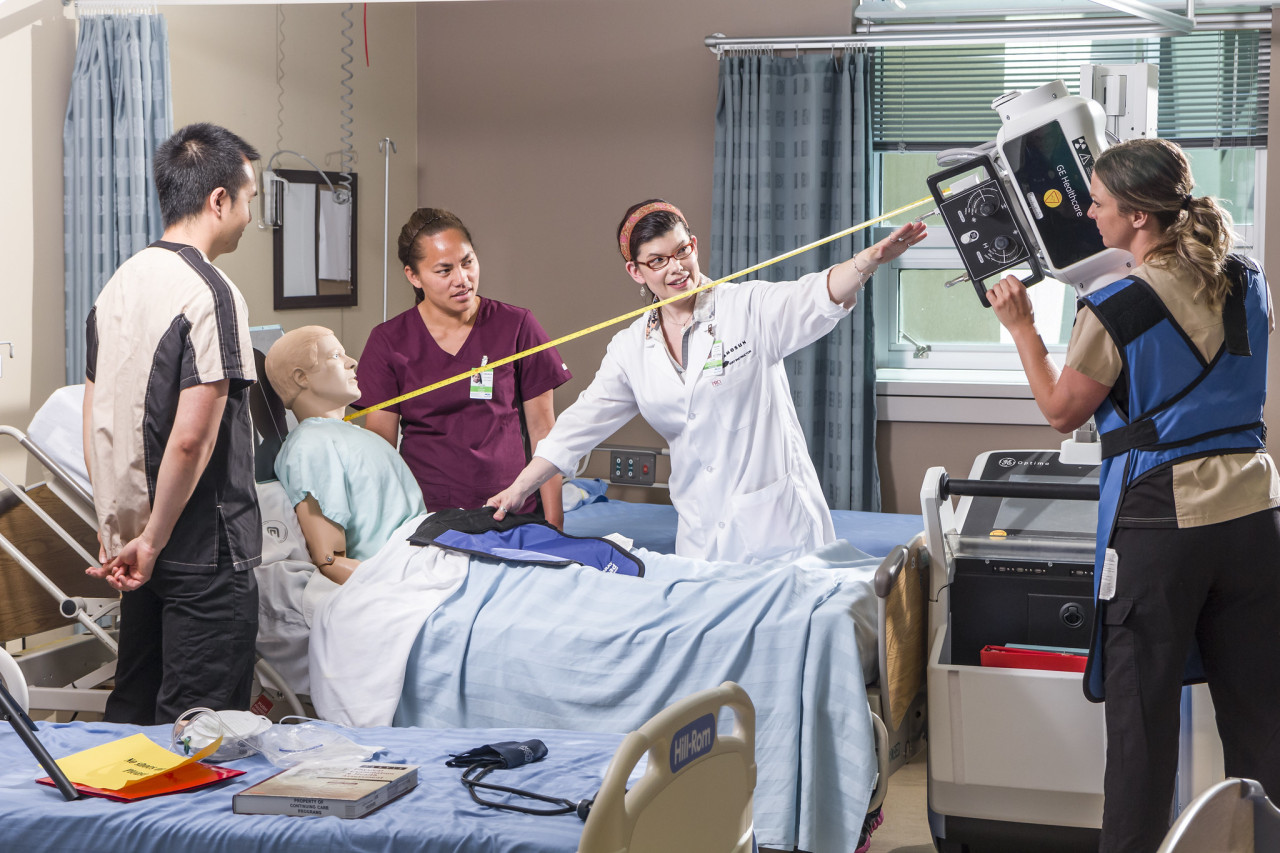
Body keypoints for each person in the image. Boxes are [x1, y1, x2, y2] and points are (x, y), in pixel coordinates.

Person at [986, 137, 1280, 853]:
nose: (1089, 213)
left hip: (1162, 523)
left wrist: (1023, 328)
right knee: (1262, 721)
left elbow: (1062, 409)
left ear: (1139, 219)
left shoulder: (1117, 304)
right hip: (1254, 514)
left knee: (1141, 726)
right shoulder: (1248, 278)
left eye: (1099, 203)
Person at [488, 199, 926, 564]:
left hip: (775, 527)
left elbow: (814, 294)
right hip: (699, 532)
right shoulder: (629, 349)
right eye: (657, 261)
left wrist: (868, 261)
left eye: (681, 252)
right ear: (636, 272)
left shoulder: (747, 308)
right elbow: (577, 429)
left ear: (694, 246)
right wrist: (517, 489)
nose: (675, 268)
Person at [82, 122, 263, 725]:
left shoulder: (115, 287)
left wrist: (121, 535)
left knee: (133, 717)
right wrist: (154, 540)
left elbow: (96, 417)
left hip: (139, 549)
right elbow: (193, 438)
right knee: (198, 741)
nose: (248, 218)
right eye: (249, 201)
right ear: (219, 200)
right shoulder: (212, 292)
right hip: (202, 555)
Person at [355, 208, 573, 527]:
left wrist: (554, 525)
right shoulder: (388, 341)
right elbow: (380, 453)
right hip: (426, 517)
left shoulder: (517, 326)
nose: (462, 279)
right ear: (413, 276)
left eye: (467, 262)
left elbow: (544, 431)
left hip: (511, 511)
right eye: (444, 270)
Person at [264, 326, 426, 585]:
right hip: (402, 576)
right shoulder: (311, 444)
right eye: (337, 356)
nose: (353, 362)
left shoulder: (357, 436)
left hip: (425, 561)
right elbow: (331, 561)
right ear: (301, 377)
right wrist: (404, 586)